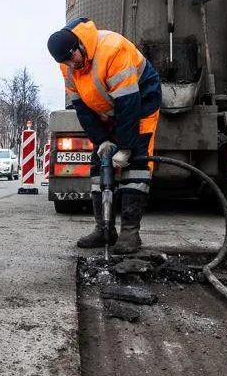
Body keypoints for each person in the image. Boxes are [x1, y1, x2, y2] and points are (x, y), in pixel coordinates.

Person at [47, 17, 161, 254]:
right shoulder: (68, 66)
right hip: (107, 110)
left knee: (135, 167)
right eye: (65, 61)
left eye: (72, 57)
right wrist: (103, 141)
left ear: (79, 45)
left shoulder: (112, 49)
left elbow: (129, 103)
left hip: (140, 105)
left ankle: (130, 232)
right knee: (101, 166)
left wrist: (127, 147)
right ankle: (104, 229)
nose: (71, 64)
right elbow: (81, 108)